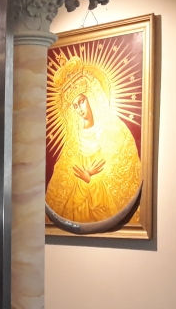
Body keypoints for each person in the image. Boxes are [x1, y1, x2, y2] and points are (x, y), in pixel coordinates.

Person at [45, 57, 141, 227]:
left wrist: (90, 179)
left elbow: (121, 178)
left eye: (81, 101)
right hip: (79, 211)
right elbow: (62, 192)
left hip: (104, 207)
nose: (79, 109)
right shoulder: (72, 145)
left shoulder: (115, 133)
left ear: (90, 98)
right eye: (75, 106)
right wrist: (84, 179)